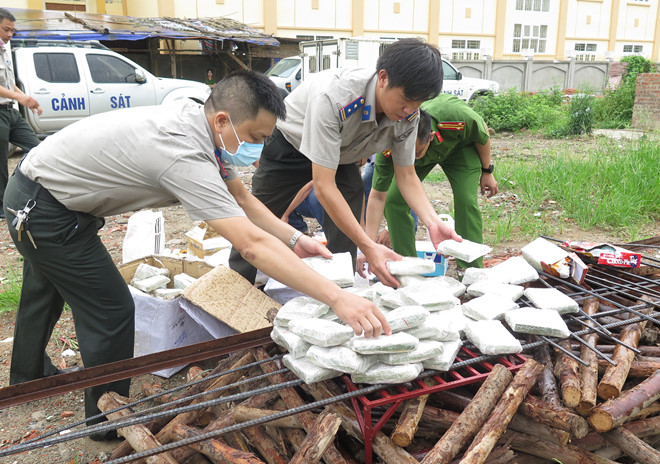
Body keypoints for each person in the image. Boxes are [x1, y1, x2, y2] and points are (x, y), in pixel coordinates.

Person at [3, 70, 390, 440]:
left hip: (42, 193)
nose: (256, 148)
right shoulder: (183, 153)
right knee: (111, 310)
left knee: (45, 288)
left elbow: (242, 199)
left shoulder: (202, 123)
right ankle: (108, 419)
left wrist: (293, 239)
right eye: (254, 136)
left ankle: (28, 375)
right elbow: (250, 245)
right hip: (44, 210)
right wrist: (337, 297)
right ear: (223, 120)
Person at [229, 38, 461, 289]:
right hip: (291, 144)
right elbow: (324, 187)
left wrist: (433, 222)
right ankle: (236, 288)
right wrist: (369, 247)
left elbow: (406, 176)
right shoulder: (335, 97)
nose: (409, 110)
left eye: (418, 103)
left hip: (342, 155)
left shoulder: (409, 114)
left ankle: (341, 292)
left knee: (348, 214)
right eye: (405, 100)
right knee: (258, 215)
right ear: (383, 78)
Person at [365, 93, 498, 269]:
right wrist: (368, 248)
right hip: (418, 161)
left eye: (416, 152)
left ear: (431, 137)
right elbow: (377, 196)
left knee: (465, 199)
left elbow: (483, 134)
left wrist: (487, 171)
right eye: (408, 153)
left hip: (459, 149)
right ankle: (407, 266)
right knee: (393, 200)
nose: (413, 157)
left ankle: (470, 270)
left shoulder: (453, 115)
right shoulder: (391, 147)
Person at [0, 8, 42, 219]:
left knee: (38, 149)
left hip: (11, 112)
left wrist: (26, 97)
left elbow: (9, 83)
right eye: (6, 29)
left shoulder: (4, 50)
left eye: (12, 31)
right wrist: (20, 98)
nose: (10, 34)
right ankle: (2, 207)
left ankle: (37, 193)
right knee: (1, 164)